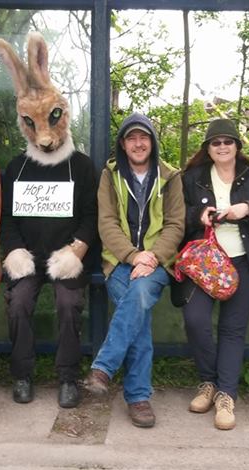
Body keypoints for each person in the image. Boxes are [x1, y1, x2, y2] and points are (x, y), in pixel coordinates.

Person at [0, 33, 99, 409]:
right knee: (19, 302)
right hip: (29, 256)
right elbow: (7, 217)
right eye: (31, 122)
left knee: (69, 305)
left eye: (52, 118)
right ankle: (22, 374)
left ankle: (67, 377)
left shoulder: (81, 166)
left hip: (66, 255)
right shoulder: (16, 167)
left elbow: (92, 214)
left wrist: (77, 250)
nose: (44, 136)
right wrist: (14, 250)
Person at [82, 113, 185, 428]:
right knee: (139, 315)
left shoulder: (170, 176)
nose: (138, 144)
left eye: (144, 138)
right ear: (123, 144)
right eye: (131, 138)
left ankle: (103, 368)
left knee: (139, 294)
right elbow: (106, 223)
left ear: (152, 142)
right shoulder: (110, 175)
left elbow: (175, 224)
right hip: (118, 261)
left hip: (157, 262)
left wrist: (151, 257)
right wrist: (132, 255)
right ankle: (138, 397)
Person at [179, 119, 249, 430]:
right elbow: (175, 215)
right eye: (216, 142)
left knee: (232, 330)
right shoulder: (193, 178)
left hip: (244, 262)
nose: (222, 147)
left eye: (228, 141)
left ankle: (226, 395)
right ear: (208, 148)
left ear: (237, 145)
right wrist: (198, 215)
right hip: (205, 263)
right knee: (195, 320)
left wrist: (247, 209)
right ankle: (208, 381)